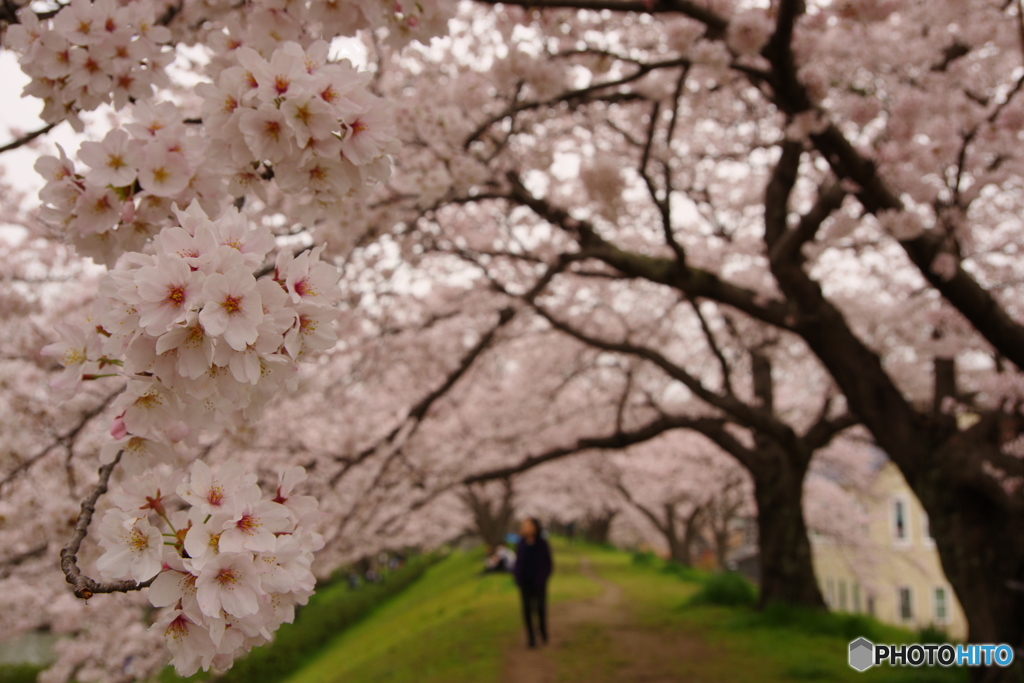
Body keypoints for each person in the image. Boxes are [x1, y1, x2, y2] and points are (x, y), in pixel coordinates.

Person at [513, 517, 553, 648]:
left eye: (529, 525)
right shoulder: (520, 544)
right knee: (527, 610)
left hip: (539, 582)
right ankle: (531, 637)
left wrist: (542, 578)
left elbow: (548, 564)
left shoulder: (542, 544)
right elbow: (518, 563)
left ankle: (542, 632)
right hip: (525, 583)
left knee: (540, 609)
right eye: (524, 526)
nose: (527, 528)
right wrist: (518, 578)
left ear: (536, 527)